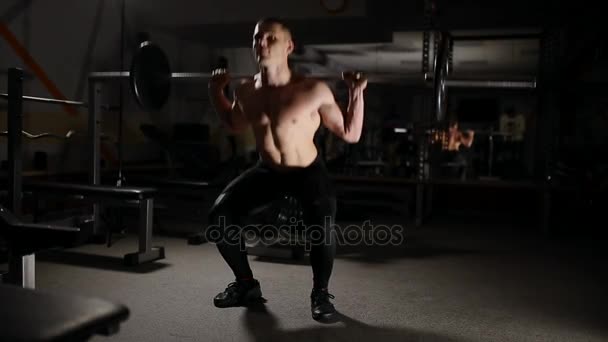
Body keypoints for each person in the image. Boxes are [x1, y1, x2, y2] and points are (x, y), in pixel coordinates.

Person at [206, 17, 367, 321]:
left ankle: (320, 293)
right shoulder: (245, 90)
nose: (261, 44)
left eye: (270, 39)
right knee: (220, 216)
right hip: (267, 170)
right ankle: (245, 284)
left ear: (289, 46)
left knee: (321, 225)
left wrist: (357, 92)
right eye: (257, 39)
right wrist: (217, 93)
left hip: (307, 171)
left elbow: (350, 132)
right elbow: (233, 124)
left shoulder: (312, 89)